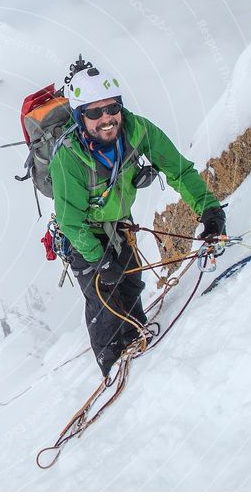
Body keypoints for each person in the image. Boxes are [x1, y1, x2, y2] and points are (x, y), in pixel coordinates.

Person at [49, 60, 226, 377]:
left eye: (112, 108)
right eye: (94, 112)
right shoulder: (69, 158)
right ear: (80, 117)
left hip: (118, 222)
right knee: (104, 301)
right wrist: (99, 261)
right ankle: (112, 365)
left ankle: (138, 344)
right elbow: (70, 221)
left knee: (131, 282)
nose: (106, 118)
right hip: (82, 235)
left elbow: (178, 170)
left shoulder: (138, 129)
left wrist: (209, 209)